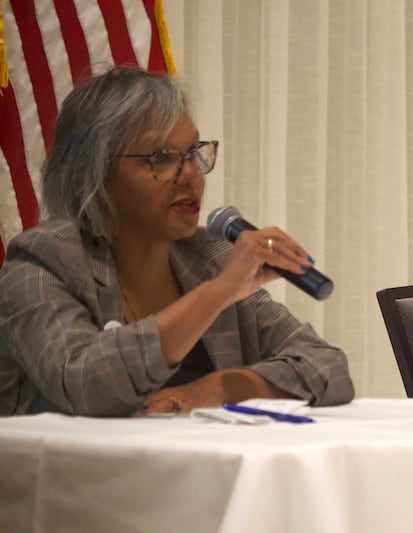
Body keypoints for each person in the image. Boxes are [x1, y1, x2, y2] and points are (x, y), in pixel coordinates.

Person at [0, 66, 354, 416]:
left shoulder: (207, 257)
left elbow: (326, 366)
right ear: (95, 171)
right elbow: (85, 385)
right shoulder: (40, 261)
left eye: (194, 152)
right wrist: (219, 291)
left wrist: (214, 390)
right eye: (162, 158)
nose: (192, 176)